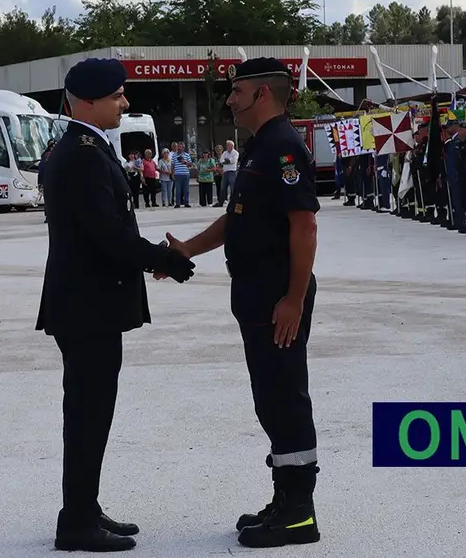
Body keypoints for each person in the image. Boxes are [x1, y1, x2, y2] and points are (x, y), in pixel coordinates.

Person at [161, 58, 321, 549]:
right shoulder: (259, 148)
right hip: (255, 293)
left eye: (237, 91)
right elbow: (236, 219)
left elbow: (304, 226)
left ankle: (299, 513)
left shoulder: (285, 149)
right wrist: (187, 248)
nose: (229, 99)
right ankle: (283, 498)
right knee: (268, 398)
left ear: (263, 95)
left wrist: (293, 298)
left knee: (285, 397)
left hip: (278, 297)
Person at [37, 57, 195, 553]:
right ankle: (77, 523)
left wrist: (155, 257)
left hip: (90, 303)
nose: (125, 104)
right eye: (117, 96)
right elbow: (108, 234)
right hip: (88, 306)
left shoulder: (86, 148)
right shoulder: (82, 154)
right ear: (86, 101)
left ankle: (82, 507)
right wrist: (165, 257)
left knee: (92, 412)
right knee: (88, 413)